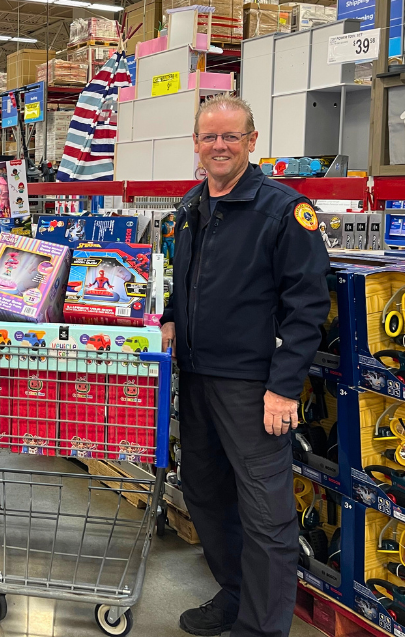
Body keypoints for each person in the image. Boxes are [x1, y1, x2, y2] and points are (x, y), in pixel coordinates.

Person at [160, 94, 330, 637]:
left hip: (252, 388)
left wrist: (283, 389)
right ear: (195, 143)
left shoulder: (282, 211)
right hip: (196, 377)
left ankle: (261, 627)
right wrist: (167, 319)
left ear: (252, 142)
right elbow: (182, 281)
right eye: (209, 136)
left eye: (231, 136)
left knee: (265, 513)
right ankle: (235, 595)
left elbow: (308, 308)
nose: (219, 146)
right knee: (205, 493)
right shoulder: (190, 209)